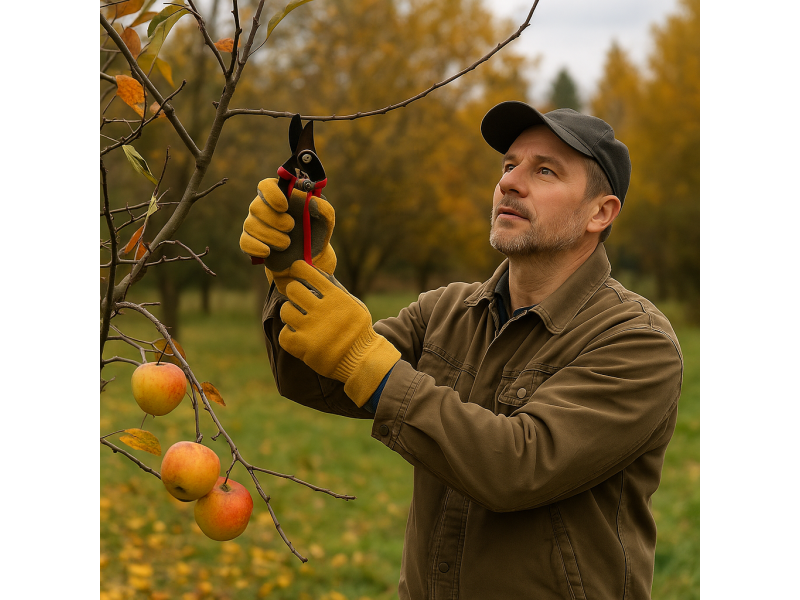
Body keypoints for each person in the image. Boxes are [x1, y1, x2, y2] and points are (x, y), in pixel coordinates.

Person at [239, 101, 683, 600]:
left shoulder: (637, 342)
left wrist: (366, 360)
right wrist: (298, 269)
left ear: (600, 213)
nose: (510, 183)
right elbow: (314, 381)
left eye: (544, 170)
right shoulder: (445, 310)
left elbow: (518, 467)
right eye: (509, 165)